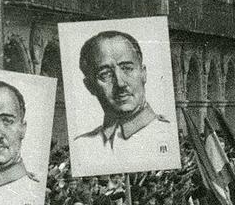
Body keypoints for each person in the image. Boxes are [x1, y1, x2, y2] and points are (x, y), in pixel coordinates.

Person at [74, 30, 177, 164]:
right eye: (105, 74)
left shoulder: (169, 136)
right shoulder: (82, 146)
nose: (120, 83)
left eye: (127, 68)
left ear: (143, 73)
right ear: (89, 86)